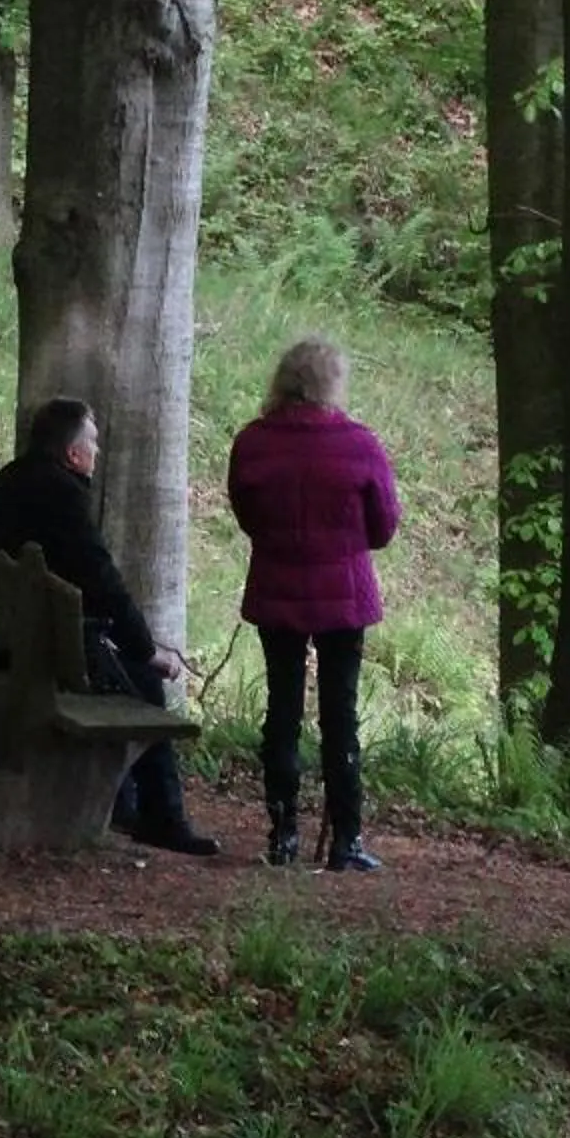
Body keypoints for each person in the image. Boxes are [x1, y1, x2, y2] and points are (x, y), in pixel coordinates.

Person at [0, 395, 220, 857]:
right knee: (142, 684)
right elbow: (103, 583)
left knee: (112, 664)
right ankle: (162, 817)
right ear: (73, 454)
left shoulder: (13, 478)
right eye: (94, 444)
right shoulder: (63, 495)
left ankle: (125, 804)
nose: (98, 453)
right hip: (17, 647)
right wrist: (148, 651)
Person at [227, 338, 399, 872]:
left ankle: (283, 835)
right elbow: (384, 524)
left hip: (277, 588)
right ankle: (346, 838)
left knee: (282, 712)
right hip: (343, 597)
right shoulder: (359, 444)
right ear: (332, 383)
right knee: (339, 714)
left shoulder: (254, 443)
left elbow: (247, 513)